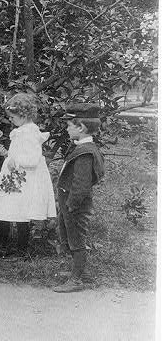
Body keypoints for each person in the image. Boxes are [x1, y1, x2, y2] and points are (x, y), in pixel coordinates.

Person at [0, 93, 56, 257]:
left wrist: (15, 161)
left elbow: (32, 159)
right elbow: (18, 153)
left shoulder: (30, 133)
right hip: (13, 179)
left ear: (23, 115)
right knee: (5, 209)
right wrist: (7, 155)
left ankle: (21, 249)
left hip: (23, 180)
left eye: (12, 117)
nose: (10, 120)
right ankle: (3, 246)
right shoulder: (21, 131)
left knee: (20, 213)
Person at [53, 103, 105, 293]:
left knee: (77, 241)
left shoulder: (85, 153)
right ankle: (78, 272)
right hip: (70, 202)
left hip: (75, 204)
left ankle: (76, 279)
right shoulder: (82, 147)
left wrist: (72, 205)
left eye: (69, 125)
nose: (66, 129)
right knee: (71, 237)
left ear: (81, 128)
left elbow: (81, 184)